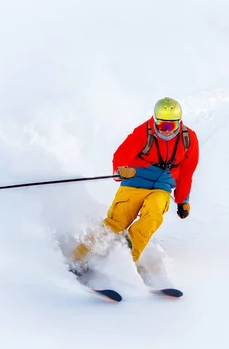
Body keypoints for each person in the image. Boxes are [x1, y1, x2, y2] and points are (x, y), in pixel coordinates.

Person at [69, 97, 199, 278]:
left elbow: (187, 172)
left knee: (154, 213)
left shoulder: (188, 139)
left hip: (162, 187)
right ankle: (79, 258)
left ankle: (124, 258)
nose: (166, 131)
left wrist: (182, 201)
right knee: (117, 220)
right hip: (135, 182)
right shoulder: (143, 133)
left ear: (179, 122)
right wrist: (121, 170)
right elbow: (121, 154)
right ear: (155, 120)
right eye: (162, 125)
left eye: (171, 126)